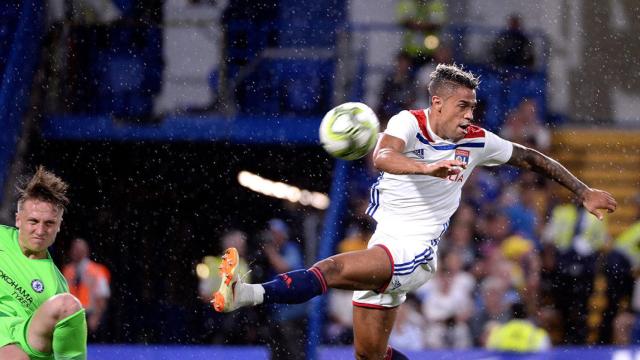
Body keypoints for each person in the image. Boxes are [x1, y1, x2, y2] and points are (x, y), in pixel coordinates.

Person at [212, 64, 617, 360]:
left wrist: (582, 192)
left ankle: (245, 293)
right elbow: (383, 155)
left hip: (415, 253)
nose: (470, 115)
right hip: (384, 243)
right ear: (437, 103)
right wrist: (426, 166)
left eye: (473, 107)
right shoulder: (407, 122)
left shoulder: (477, 141)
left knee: (332, 269)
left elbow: (529, 157)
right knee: (370, 356)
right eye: (462, 106)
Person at [0, 166, 87, 360]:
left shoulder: (56, 284)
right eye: (33, 221)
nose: (40, 230)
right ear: (18, 220)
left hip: (23, 339)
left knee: (68, 304)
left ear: (59, 226)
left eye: (49, 223)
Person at [62, 238, 111, 337]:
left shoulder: (97, 271)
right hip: (71, 316)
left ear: (86, 251)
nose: (77, 252)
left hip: (89, 314)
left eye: (80, 249)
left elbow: (102, 296)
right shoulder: (67, 270)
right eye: (75, 249)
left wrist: (96, 316)